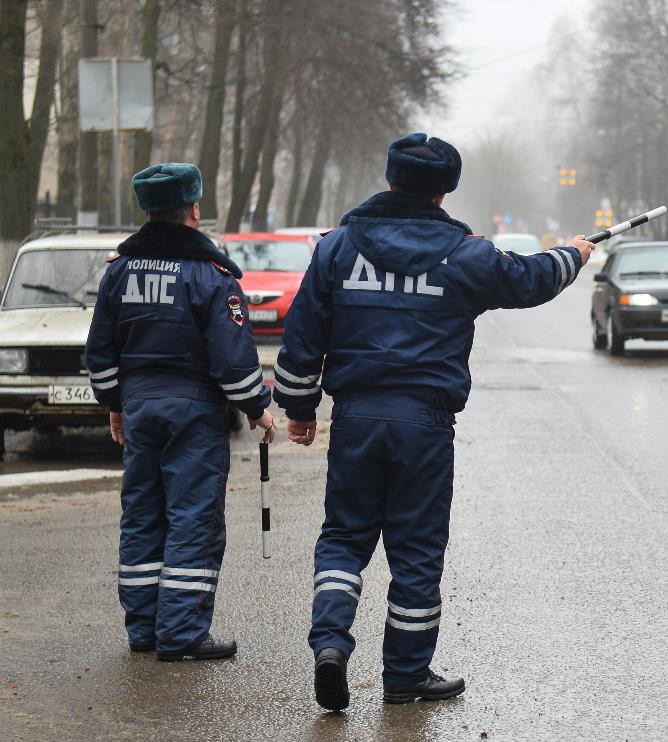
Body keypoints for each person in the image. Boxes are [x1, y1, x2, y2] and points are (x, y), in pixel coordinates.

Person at [274, 133, 594, 710]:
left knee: (345, 537)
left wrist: (299, 410)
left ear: (390, 177)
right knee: (416, 546)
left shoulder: (337, 248)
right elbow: (531, 279)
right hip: (424, 423)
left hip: (356, 418)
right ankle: (405, 675)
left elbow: (301, 339)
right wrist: (574, 253)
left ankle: (329, 645)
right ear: (447, 189)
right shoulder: (467, 256)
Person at [85, 163, 276, 661]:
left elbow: (100, 352)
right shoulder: (211, 275)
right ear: (194, 209)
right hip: (193, 411)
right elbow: (233, 358)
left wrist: (114, 404)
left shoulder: (119, 271)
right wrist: (258, 410)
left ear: (147, 210)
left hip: (140, 407)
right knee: (193, 519)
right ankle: (184, 633)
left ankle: (145, 630)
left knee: (143, 515)